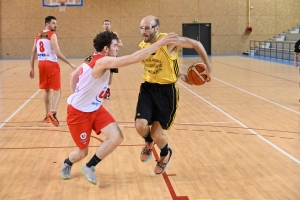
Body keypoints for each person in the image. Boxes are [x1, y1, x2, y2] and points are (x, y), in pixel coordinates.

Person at [60, 31, 177, 185]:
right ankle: (67, 163)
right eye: (115, 46)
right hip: (78, 113)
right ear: (106, 49)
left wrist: (79, 94)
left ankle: (90, 167)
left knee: (117, 137)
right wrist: (159, 43)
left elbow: (73, 76)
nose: (118, 48)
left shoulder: (93, 57)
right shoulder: (102, 62)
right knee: (82, 152)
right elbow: (133, 58)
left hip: (95, 108)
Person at [135, 15, 212, 175]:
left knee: (157, 134)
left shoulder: (170, 41)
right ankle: (148, 143)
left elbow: (196, 44)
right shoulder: (143, 45)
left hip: (166, 93)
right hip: (148, 89)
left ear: (157, 28)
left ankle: (165, 153)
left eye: (147, 27)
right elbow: (159, 67)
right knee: (141, 126)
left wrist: (208, 67)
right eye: (141, 27)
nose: (144, 31)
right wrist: (179, 73)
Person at [29, 16, 76, 126]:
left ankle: (47, 116)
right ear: (47, 24)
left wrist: (31, 67)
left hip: (41, 64)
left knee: (46, 90)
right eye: (53, 23)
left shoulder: (38, 35)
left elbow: (33, 52)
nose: (56, 25)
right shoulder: (52, 35)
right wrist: (69, 63)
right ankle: (53, 112)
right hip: (51, 64)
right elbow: (58, 53)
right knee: (57, 90)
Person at [102, 20, 123, 98]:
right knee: (103, 73)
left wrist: (114, 44)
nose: (107, 25)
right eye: (105, 24)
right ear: (103, 25)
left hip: (112, 57)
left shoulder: (114, 34)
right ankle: (102, 89)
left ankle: (108, 89)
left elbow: (121, 44)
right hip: (104, 57)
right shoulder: (101, 35)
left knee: (110, 73)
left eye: (108, 24)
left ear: (110, 25)